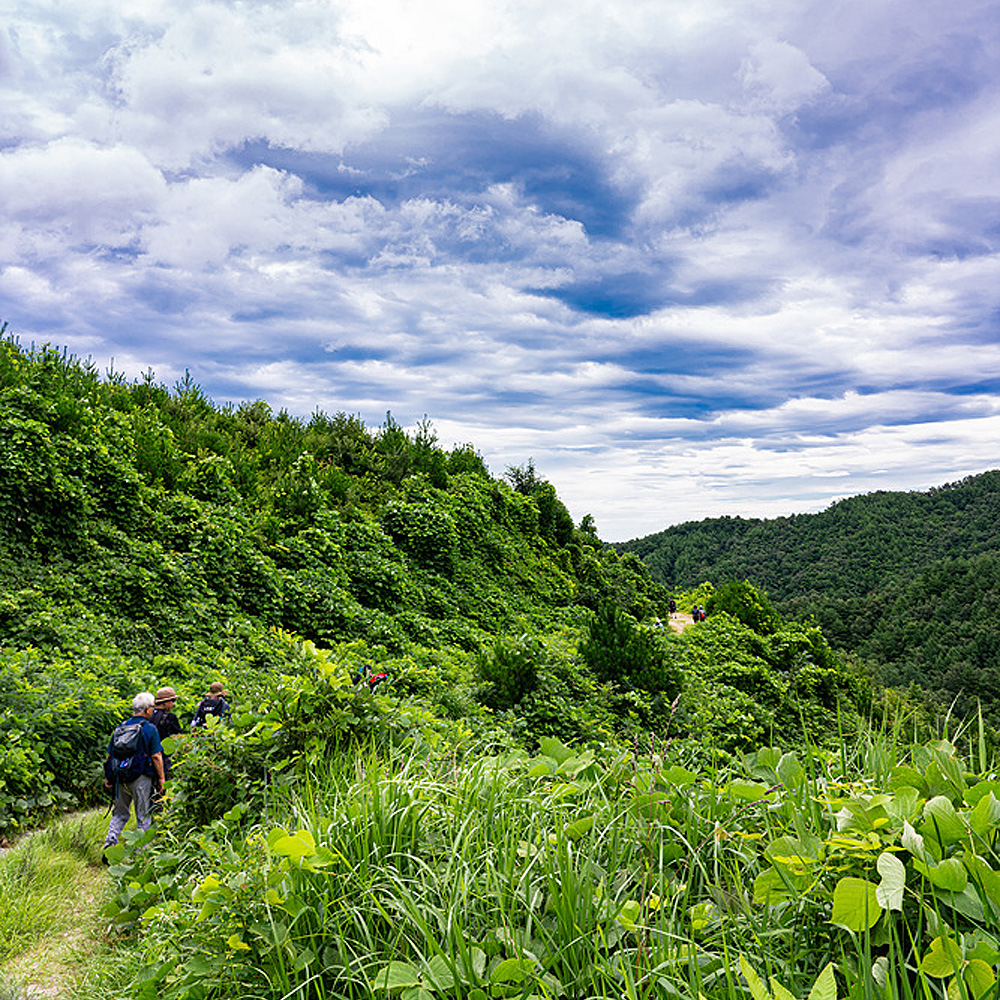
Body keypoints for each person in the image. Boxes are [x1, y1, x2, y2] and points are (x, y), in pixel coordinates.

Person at [103, 692, 165, 858]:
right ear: (146, 710)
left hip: (120, 777)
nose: (152, 711)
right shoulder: (150, 729)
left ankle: (110, 842)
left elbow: (110, 756)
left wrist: (110, 777)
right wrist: (161, 778)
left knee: (120, 813)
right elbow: (156, 756)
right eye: (152, 708)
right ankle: (141, 853)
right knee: (143, 815)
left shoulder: (120, 728)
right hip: (141, 777)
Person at [150, 687, 182, 778]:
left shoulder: (149, 715)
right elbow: (179, 737)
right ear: (165, 703)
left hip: (148, 758)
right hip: (163, 758)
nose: (173, 704)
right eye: (172, 701)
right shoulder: (170, 717)